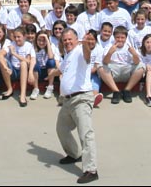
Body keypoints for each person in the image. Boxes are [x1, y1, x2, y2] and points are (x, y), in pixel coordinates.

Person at [56, 28, 98, 184]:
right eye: (64, 40)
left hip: (81, 99)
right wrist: (50, 75)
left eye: (70, 39)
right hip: (67, 101)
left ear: (76, 39)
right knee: (61, 128)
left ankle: (91, 170)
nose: (67, 42)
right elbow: (59, 70)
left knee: (85, 134)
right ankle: (74, 154)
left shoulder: (81, 51)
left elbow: (87, 56)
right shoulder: (67, 56)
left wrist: (86, 44)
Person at [102, 25, 144, 104]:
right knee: (101, 66)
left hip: (126, 70)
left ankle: (127, 90)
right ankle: (116, 91)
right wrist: (110, 52)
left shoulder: (129, 46)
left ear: (126, 38)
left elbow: (136, 63)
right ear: (114, 37)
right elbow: (105, 62)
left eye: (122, 37)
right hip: (113, 71)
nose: (120, 40)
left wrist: (134, 54)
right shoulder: (109, 45)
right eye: (118, 37)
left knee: (141, 66)